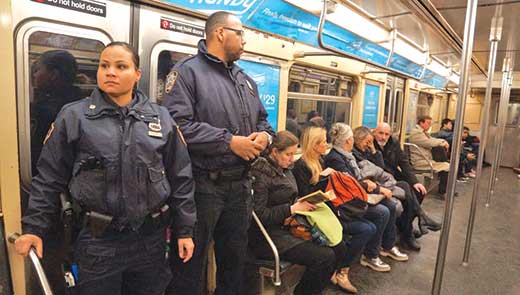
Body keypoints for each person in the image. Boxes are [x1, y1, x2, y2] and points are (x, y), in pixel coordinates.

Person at [15, 42, 196, 295]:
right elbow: (49, 178)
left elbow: (181, 177)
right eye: (104, 65)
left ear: (137, 75)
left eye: (121, 66)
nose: (110, 72)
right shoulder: (74, 117)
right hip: (98, 243)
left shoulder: (161, 118)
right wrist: (35, 228)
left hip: (150, 242)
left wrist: (184, 230)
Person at [162, 11, 275, 295]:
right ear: (221, 33)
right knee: (190, 265)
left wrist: (265, 136)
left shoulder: (245, 80)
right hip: (203, 186)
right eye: (241, 34)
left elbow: (264, 121)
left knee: (234, 262)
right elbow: (177, 127)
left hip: (241, 185)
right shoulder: (187, 73)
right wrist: (229, 142)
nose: (244, 42)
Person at [250, 130, 358, 294]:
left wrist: (306, 201)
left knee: (340, 247)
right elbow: (259, 214)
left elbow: (292, 196)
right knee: (324, 257)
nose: (292, 159)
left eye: (294, 153)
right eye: (288, 154)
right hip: (269, 235)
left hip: (290, 224)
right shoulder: (261, 174)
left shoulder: (285, 169)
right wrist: (291, 209)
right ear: (274, 152)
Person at [325, 124, 408, 269]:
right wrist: (377, 188)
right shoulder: (336, 158)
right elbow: (351, 183)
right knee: (382, 212)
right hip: (348, 202)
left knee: (390, 205)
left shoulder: (346, 155)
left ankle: (387, 246)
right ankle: (371, 255)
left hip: (357, 193)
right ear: (348, 141)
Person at [372, 123, 441, 239]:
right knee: (405, 186)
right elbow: (376, 168)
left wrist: (415, 182)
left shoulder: (393, 143)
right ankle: (411, 229)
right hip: (381, 180)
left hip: (394, 177)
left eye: (386, 134)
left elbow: (404, 162)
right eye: (380, 133)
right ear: (374, 132)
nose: (383, 137)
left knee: (419, 191)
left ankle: (405, 225)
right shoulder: (370, 145)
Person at [30, 50, 82, 177]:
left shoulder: (48, 109)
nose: (35, 75)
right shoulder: (77, 99)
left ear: (53, 74)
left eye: (38, 70)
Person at [408, 115, 450, 199]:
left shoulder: (423, 132)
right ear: (421, 123)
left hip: (426, 159)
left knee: (444, 161)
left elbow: (432, 139)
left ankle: (443, 190)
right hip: (420, 162)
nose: (430, 125)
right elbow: (429, 142)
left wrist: (443, 141)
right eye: (428, 123)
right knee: (447, 166)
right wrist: (443, 142)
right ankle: (442, 192)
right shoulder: (416, 133)